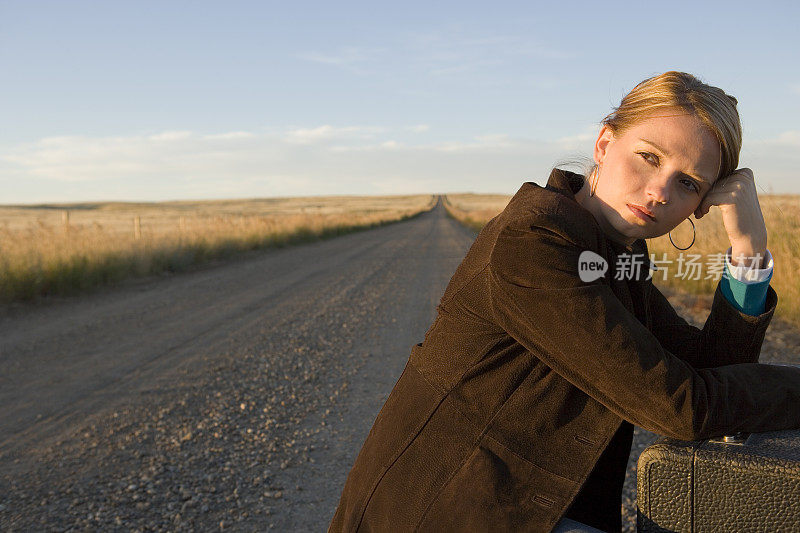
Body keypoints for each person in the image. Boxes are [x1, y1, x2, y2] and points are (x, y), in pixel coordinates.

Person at [328, 71, 800, 533]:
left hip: (528, 509)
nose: (660, 192)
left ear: (701, 204)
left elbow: (714, 369)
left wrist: (748, 253)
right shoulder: (534, 242)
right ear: (603, 145)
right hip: (439, 512)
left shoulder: (616, 254)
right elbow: (680, 406)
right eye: (649, 157)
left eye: (689, 184)